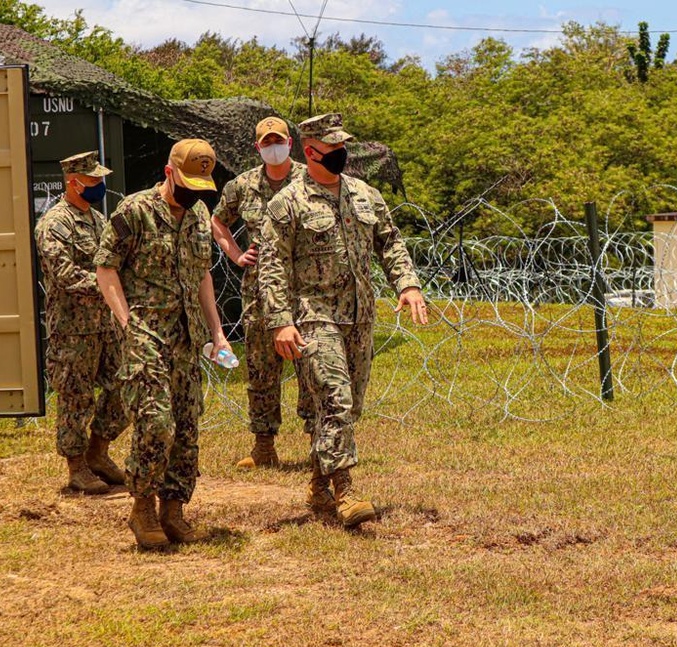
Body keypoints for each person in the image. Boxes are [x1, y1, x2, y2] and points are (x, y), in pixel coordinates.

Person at [259, 113, 428, 527]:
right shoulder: (287, 204)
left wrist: (408, 285)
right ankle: (346, 491)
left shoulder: (365, 195)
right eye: (332, 148)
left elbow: (390, 242)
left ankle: (319, 482)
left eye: (342, 147)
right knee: (336, 397)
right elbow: (272, 266)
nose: (340, 154)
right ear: (310, 150)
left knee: (344, 408)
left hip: (360, 317)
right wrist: (281, 320)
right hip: (314, 315)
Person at [94, 139, 234, 549]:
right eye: (187, 183)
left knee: (187, 427)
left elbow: (203, 275)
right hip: (147, 337)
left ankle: (174, 509)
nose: (193, 194)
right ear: (169, 172)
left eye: (201, 186)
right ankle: (142, 507)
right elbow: (106, 269)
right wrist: (127, 324)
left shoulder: (198, 214)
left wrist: (217, 331)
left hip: (187, 339)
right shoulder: (135, 211)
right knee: (156, 423)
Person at [211, 117, 313, 469]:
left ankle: (319, 440)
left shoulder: (309, 178)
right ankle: (264, 445)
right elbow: (218, 220)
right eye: (266, 142)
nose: (273, 146)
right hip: (259, 293)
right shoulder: (242, 185)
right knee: (261, 369)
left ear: (290, 142)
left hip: (305, 289)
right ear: (258, 147)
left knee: (312, 365)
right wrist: (236, 253)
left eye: (279, 140)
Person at [34, 151, 128, 495]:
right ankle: (76, 467)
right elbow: (64, 275)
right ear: (73, 182)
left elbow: (112, 261)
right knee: (76, 397)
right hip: (73, 329)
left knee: (124, 384)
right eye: (92, 181)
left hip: (105, 326)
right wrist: (109, 287)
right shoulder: (54, 224)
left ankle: (98, 452)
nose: (99, 185)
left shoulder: (98, 221)